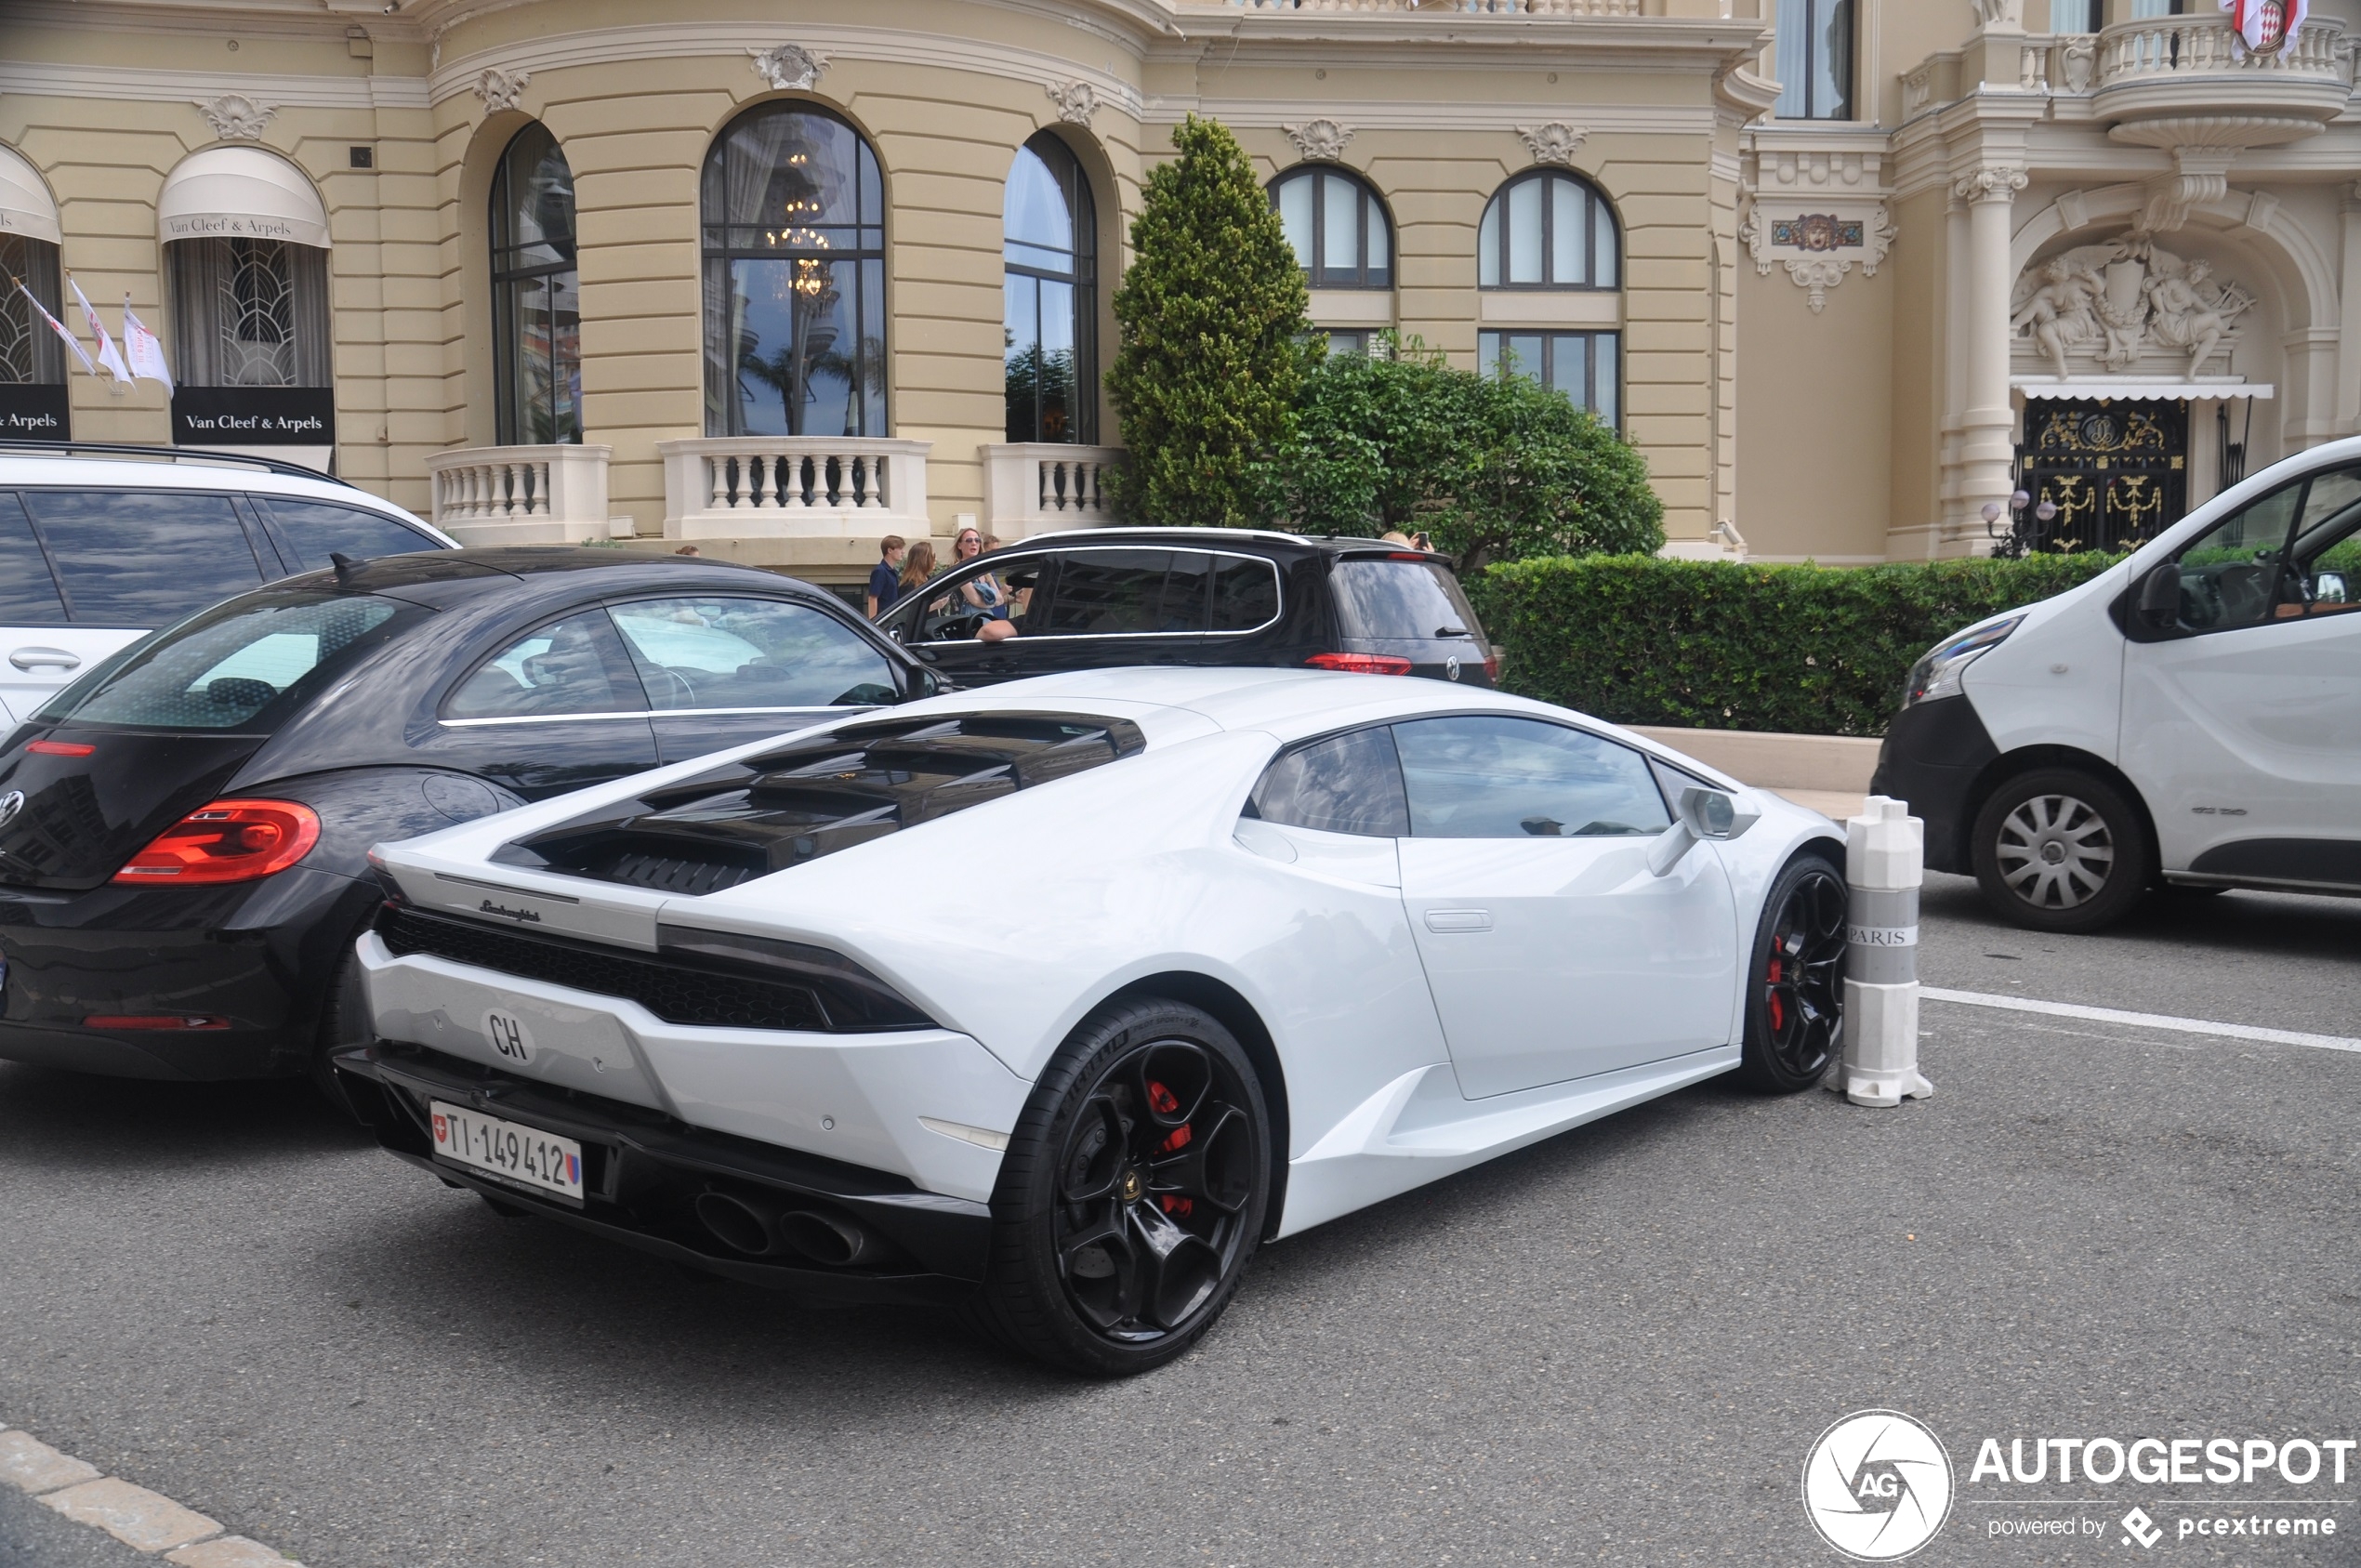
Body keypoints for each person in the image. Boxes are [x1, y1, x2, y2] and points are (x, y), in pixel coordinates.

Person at [950, 526, 1020, 643]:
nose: (974, 543)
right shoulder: (959, 569)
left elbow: (1000, 600)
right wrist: (994, 600)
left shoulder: (981, 569)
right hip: (966, 624)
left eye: (977, 540)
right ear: (959, 545)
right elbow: (976, 600)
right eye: (969, 540)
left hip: (984, 621)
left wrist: (989, 577)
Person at [866, 534, 906, 618]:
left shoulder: (893, 571)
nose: (903, 552)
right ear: (890, 550)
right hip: (883, 619)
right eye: (900, 548)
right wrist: (874, 622)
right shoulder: (880, 571)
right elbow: (873, 598)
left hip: (892, 617)